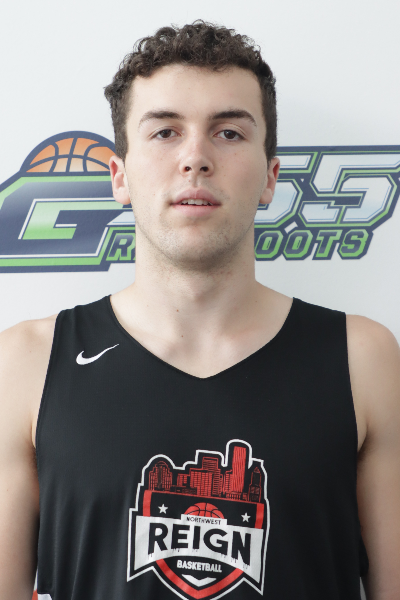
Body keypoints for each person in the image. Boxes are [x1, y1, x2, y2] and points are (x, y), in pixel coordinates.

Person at [0, 20, 399, 600]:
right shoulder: (26, 362)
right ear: (119, 177)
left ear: (270, 177)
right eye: (165, 132)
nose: (195, 157)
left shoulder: (362, 359)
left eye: (228, 133)